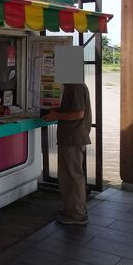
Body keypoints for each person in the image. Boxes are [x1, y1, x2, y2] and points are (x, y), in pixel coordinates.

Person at [43, 83, 92, 226]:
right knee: (70, 175)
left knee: (72, 176)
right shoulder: (72, 84)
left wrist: (56, 115)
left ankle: (76, 214)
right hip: (70, 137)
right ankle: (74, 210)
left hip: (72, 138)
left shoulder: (75, 85)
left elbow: (78, 113)